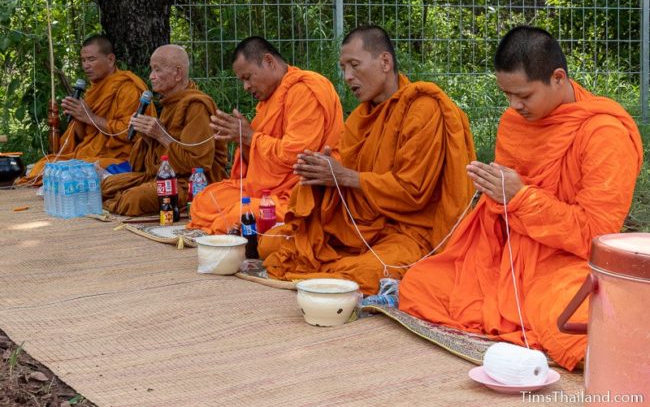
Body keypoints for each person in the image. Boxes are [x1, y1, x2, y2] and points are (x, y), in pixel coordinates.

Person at [398, 26, 643, 371]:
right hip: (507, 256)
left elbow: (597, 233)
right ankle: (513, 309)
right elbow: (501, 210)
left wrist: (521, 197)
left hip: (564, 263)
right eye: (507, 95)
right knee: (419, 285)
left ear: (558, 78)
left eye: (524, 95)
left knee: (572, 322)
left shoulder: (605, 134)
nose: (515, 105)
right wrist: (496, 195)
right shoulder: (514, 122)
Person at [258, 26, 476, 295]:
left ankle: (360, 268)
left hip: (410, 232)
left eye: (355, 65)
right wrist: (321, 179)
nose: (348, 77)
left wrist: (344, 177)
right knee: (269, 244)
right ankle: (343, 260)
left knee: (361, 275)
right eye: (343, 67)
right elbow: (349, 190)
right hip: (360, 228)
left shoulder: (422, 109)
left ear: (385, 62)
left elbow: (413, 192)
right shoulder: (361, 118)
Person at [187, 37, 344, 234]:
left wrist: (250, 137)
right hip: (268, 191)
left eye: (247, 77)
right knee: (204, 201)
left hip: (301, 194)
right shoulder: (271, 100)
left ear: (269, 61)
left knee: (238, 215)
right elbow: (256, 167)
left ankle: (265, 227)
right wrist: (242, 141)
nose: (245, 87)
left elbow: (297, 156)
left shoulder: (305, 90)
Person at [101, 44, 228, 216]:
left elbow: (199, 164)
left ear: (178, 73)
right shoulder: (171, 103)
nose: (151, 76)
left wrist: (160, 135)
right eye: (151, 70)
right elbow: (142, 165)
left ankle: (119, 202)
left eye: (157, 70)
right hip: (163, 176)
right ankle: (118, 199)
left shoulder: (196, 106)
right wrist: (147, 137)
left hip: (190, 183)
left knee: (134, 199)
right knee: (106, 186)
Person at [16, 35, 153, 186]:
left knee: (65, 174)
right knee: (45, 166)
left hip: (120, 157)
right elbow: (86, 136)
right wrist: (78, 117)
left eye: (92, 59)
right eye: (83, 60)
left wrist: (89, 117)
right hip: (91, 154)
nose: (86, 65)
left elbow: (129, 133)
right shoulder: (93, 90)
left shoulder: (128, 88)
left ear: (110, 59)